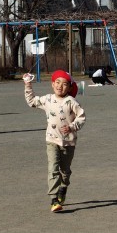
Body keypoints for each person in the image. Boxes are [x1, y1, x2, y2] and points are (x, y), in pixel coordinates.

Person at [24, 70, 86, 213]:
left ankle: (63, 188)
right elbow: (32, 101)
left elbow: (82, 117)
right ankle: (54, 199)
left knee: (65, 171)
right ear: (52, 84)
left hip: (68, 142)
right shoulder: (48, 99)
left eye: (64, 84)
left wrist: (72, 127)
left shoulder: (71, 101)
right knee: (53, 169)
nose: (60, 86)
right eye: (57, 82)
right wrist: (28, 84)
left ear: (69, 87)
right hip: (51, 140)